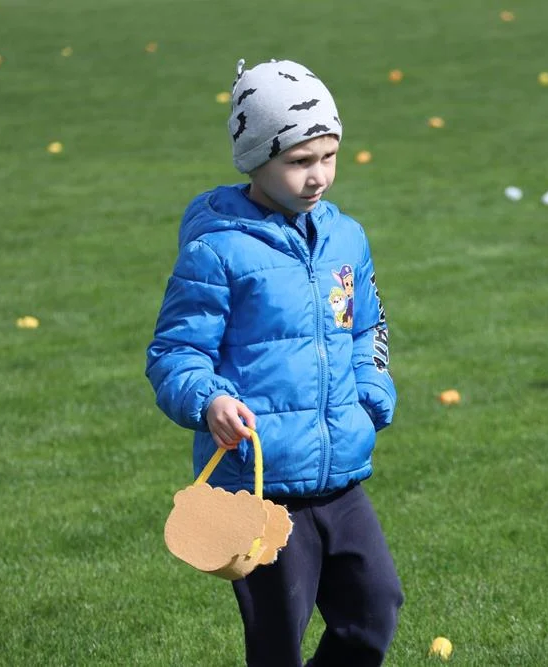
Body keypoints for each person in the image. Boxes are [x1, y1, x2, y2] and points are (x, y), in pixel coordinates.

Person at [145, 58, 402, 667]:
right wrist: (209, 400)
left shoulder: (347, 238)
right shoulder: (218, 250)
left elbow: (369, 325)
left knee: (374, 613)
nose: (318, 177)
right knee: (276, 644)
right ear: (255, 158)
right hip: (260, 489)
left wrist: (370, 395)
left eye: (328, 156)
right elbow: (176, 352)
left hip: (342, 478)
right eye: (299, 161)